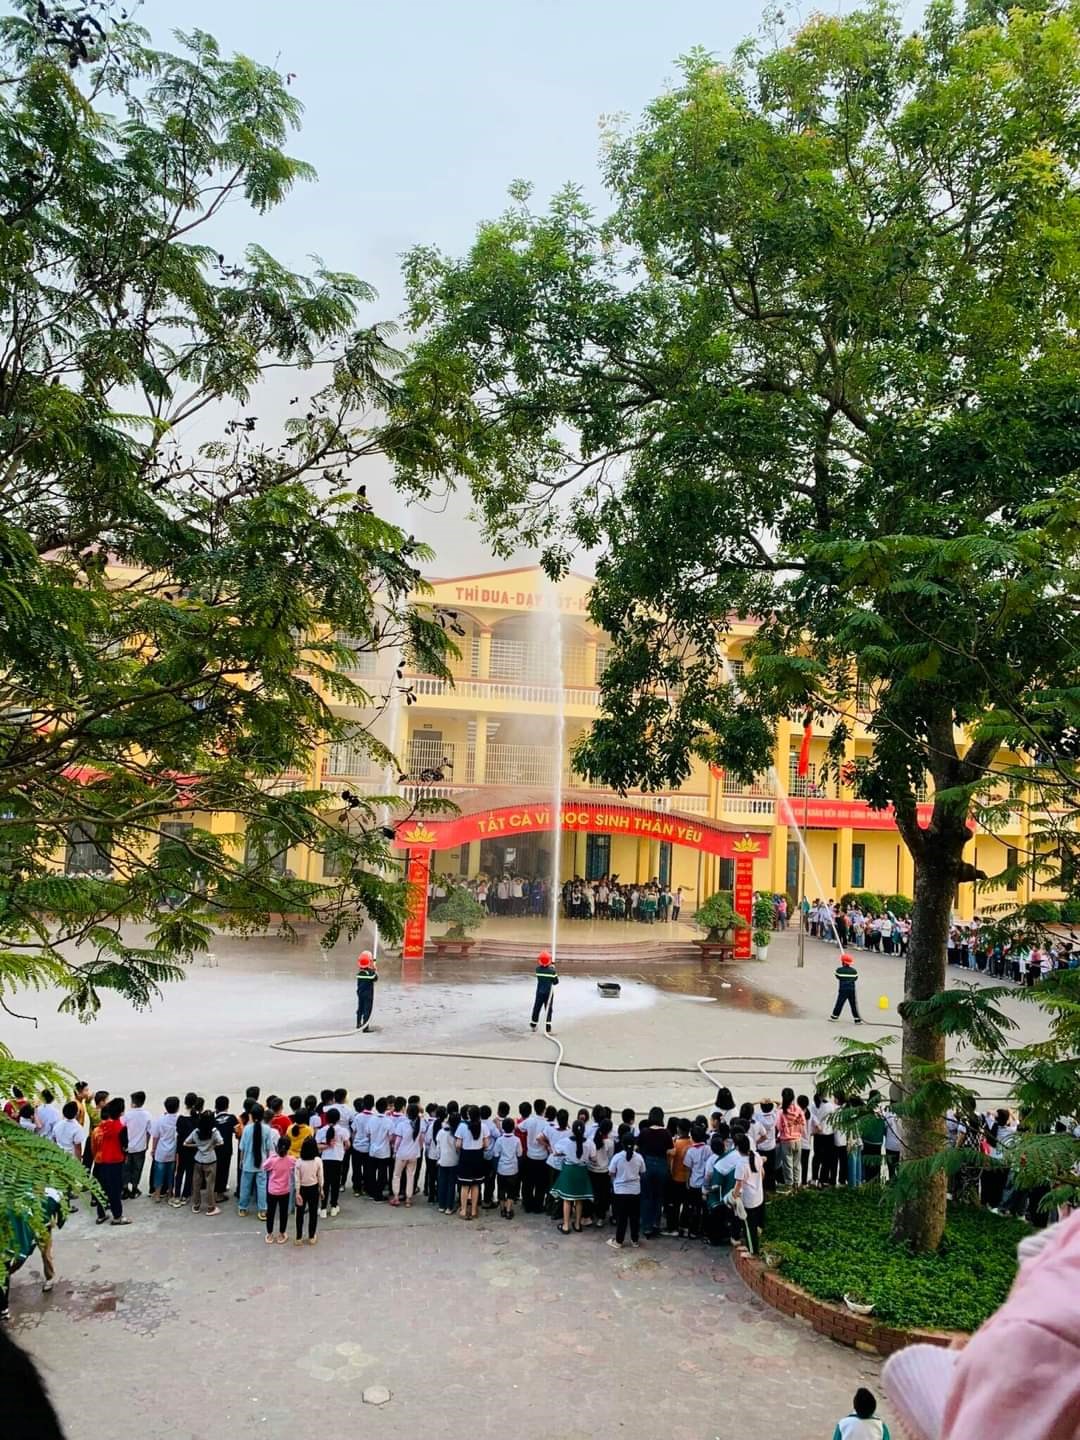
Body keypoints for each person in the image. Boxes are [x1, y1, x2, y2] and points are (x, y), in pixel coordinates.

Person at [550, 1119, 595, 1234]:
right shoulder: (590, 1143)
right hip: (582, 1171)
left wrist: (565, 1153)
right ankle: (577, 1224)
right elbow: (593, 1158)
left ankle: (566, 1225)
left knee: (567, 1199)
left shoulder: (565, 1142)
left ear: (572, 1130)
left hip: (569, 1171)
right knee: (579, 1199)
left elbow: (555, 1152)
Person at [91, 1097, 130, 1226]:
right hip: (115, 1161)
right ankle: (117, 1216)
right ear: (121, 1112)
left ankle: (101, 1214)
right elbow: (125, 1146)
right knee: (115, 1190)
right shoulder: (121, 1128)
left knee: (102, 1188)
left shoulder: (102, 1126)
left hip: (102, 1161)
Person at [637, 1106, 671, 1239]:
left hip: (647, 1165)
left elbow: (637, 1148)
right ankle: (656, 1223)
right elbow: (670, 1151)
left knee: (646, 1196)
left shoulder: (644, 1132)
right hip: (661, 1165)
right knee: (659, 1196)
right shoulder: (666, 1133)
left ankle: (647, 1226)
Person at [607, 1134, 645, 1249]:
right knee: (634, 1217)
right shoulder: (639, 1157)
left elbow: (611, 1172)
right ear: (634, 1145)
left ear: (622, 1144)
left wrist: (616, 1180)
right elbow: (642, 1171)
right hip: (635, 1191)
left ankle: (618, 1241)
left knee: (621, 1218)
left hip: (620, 1192)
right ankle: (635, 1240)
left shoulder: (617, 1157)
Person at [183, 1111, 223, 1216]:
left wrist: (198, 1146)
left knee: (196, 1184)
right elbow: (221, 1142)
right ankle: (210, 1207)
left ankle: (196, 1205)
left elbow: (186, 1143)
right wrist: (212, 1146)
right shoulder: (214, 1132)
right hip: (210, 1160)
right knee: (210, 1185)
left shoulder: (196, 1132)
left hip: (198, 1160)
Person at [237, 1102, 272, 1218]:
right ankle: (262, 1210)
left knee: (245, 1186)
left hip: (248, 1163)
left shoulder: (247, 1129)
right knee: (262, 1187)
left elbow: (242, 1148)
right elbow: (268, 1149)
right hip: (262, 1164)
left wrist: (241, 1161)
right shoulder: (267, 1129)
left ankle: (242, 1208)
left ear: (251, 1116)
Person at [732, 1133, 765, 1254]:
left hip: (748, 1200)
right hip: (758, 1196)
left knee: (749, 1227)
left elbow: (738, 1184)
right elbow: (762, 1173)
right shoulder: (756, 1155)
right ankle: (751, 1245)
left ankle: (752, 1251)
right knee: (753, 1224)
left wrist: (734, 1196)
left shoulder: (741, 1164)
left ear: (737, 1148)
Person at [262, 1136, 296, 1243]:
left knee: (270, 1212)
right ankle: (282, 1233)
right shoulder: (291, 1160)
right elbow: (297, 1165)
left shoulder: (272, 1159)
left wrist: (273, 1156)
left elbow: (264, 1166)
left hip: (272, 1190)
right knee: (283, 1213)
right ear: (289, 1147)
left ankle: (269, 1234)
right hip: (285, 1190)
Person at [317, 1106, 349, 1216]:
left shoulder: (322, 1131)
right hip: (338, 1159)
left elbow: (317, 1146)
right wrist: (342, 1149)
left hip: (325, 1159)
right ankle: (334, 1206)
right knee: (335, 1184)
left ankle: (323, 1208)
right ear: (338, 1119)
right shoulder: (343, 1131)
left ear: (326, 1118)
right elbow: (347, 1144)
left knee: (324, 1184)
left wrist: (327, 1146)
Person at [455, 1107, 486, 1220]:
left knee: (465, 1184)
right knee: (475, 1184)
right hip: (478, 1155)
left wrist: (460, 1151)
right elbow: (486, 1144)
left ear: (468, 1115)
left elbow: (458, 1144)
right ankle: (473, 1210)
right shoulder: (483, 1126)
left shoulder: (462, 1127)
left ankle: (463, 1210)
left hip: (466, 1156)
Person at [390, 1103, 422, 1208]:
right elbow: (421, 1140)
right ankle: (408, 1199)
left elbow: (398, 1141)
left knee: (397, 1175)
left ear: (407, 1112)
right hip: (413, 1154)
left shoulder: (402, 1125)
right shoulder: (420, 1124)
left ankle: (396, 1197)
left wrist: (395, 1151)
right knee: (410, 1176)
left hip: (402, 1154)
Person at [148, 1096, 180, 1202]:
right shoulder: (179, 1119)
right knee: (171, 1174)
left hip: (161, 1151)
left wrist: (153, 1149)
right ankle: (170, 1193)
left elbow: (155, 1136)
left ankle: (157, 1194)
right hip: (173, 1150)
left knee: (159, 1174)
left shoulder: (161, 1119)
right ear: (177, 1107)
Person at [121, 1091, 152, 1199]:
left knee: (126, 1168)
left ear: (133, 1102)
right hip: (140, 1147)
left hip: (128, 1147)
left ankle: (125, 1188)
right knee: (137, 1168)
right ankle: (134, 1188)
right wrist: (147, 1144)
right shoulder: (147, 1115)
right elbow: (149, 1132)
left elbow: (121, 1129)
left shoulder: (127, 1115)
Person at [294, 1136, 323, 1245]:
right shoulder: (318, 1161)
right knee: (313, 1213)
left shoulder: (299, 1162)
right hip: (313, 1188)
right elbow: (320, 1177)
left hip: (302, 1189)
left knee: (299, 1214)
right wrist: (321, 1189)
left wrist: (297, 1192)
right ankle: (311, 1236)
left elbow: (297, 1179)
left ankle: (298, 1237)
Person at [492, 1116, 523, 1219]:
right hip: (513, 1169)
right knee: (511, 1191)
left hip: (501, 1169)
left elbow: (496, 1155)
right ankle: (509, 1210)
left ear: (503, 1128)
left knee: (501, 1189)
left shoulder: (499, 1140)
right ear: (513, 1128)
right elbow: (519, 1154)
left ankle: (502, 1210)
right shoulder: (517, 1140)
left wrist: (495, 1168)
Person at [777, 1087, 806, 1189]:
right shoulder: (798, 1109)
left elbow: (779, 1127)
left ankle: (789, 1185)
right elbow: (803, 1123)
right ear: (793, 1097)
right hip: (798, 1140)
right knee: (796, 1163)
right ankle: (796, 1183)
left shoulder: (781, 1111)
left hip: (786, 1140)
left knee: (787, 1164)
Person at [213, 1095, 238, 1203]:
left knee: (215, 1170)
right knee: (224, 1171)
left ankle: (213, 1190)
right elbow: (237, 1132)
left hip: (214, 1149)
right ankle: (219, 1194)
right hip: (226, 1149)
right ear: (227, 1106)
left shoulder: (213, 1119)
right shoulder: (232, 1118)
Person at [434, 1107, 459, 1213]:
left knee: (442, 1183)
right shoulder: (456, 1134)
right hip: (454, 1161)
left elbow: (438, 1147)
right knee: (451, 1184)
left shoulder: (441, 1132)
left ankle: (441, 1205)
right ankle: (449, 1207)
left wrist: (438, 1158)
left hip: (443, 1161)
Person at [530, 951, 558, 1032]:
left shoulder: (537, 970)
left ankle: (533, 1024)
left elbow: (543, 972)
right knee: (548, 1009)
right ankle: (548, 1027)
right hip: (548, 993)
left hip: (539, 992)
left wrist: (551, 969)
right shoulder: (552, 972)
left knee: (537, 1008)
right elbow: (556, 982)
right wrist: (553, 970)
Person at [831, 953, 863, 1022]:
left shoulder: (839, 970)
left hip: (843, 989)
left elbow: (837, 976)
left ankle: (834, 1016)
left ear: (843, 962)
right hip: (851, 989)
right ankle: (857, 1019)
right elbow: (855, 978)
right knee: (853, 1004)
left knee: (840, 1003)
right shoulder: (854, 971)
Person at [355, 950, 378, 1030]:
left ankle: (358, 1023)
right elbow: (375, 978)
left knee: (360, 1008)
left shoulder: (359, 973)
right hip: (368, 994)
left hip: (360, 993)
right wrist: (375, 970)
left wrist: (373, 970)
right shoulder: (370, 973)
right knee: (367, 1009)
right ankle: (365, 1027)